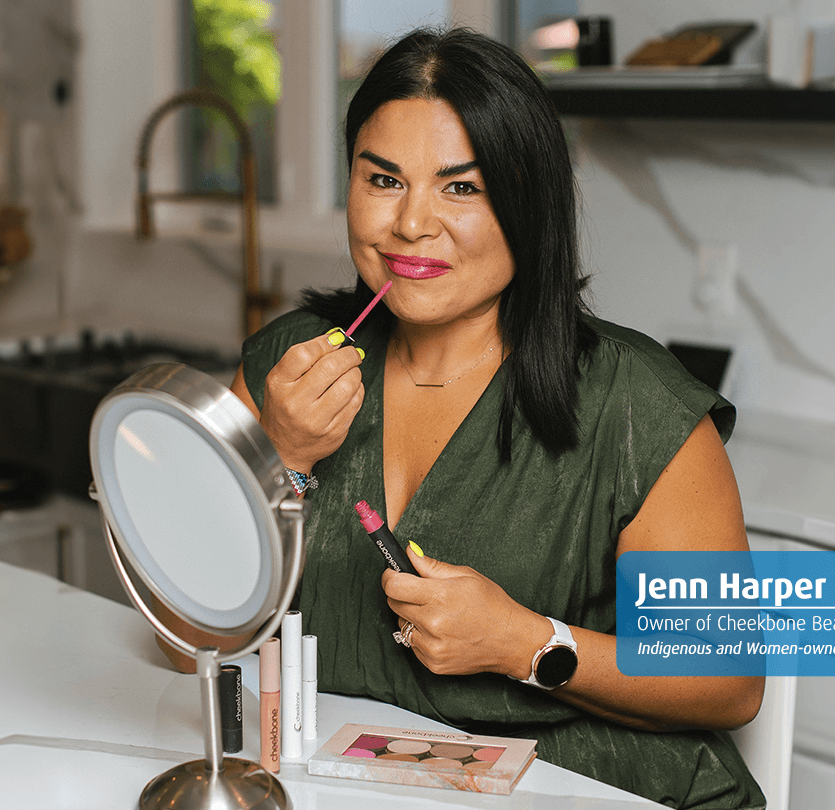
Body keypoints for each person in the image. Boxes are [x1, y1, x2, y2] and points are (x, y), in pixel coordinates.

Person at [200, 27, 762, 809]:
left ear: (528, 205)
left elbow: (729, 684)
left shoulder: (639, 404)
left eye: (461, 187)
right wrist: (279, 462)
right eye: (384, 179)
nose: (411, 225)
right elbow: (183, 641)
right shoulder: (282, 368)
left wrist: (526, 644)